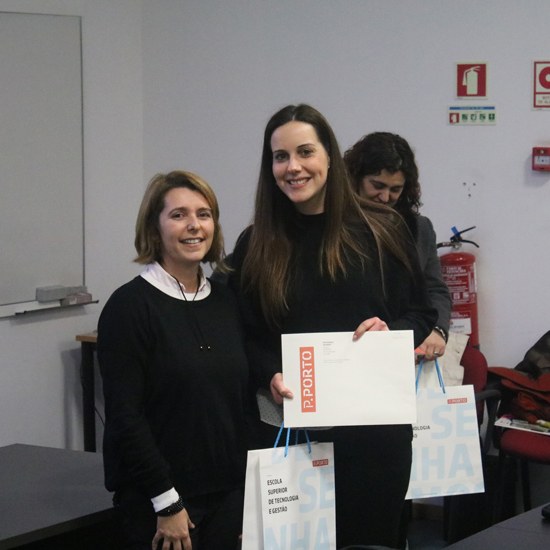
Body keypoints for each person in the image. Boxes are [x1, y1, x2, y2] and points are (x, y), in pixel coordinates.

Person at [227, 104, 437, 549]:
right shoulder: (257, 243)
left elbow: (422, 314)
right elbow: (245, 333)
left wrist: (392, 332)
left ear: (329, 156)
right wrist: (269, 371)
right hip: (291, 434)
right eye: (280, 156)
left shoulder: (383, 230)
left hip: (375, 437)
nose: (293, 166)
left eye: (305, 152)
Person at [97, 170, 250, 550]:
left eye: (204, 214)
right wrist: (167, 502)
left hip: (227, 497)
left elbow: (237, 403)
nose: (194, 225)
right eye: (178, 215)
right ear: (155, 227)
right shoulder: (129, 307)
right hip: (163, 505)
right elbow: (125, 417)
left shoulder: (227, 301)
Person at [344, 132, 452, 361]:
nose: (385, 197)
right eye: (377, 186)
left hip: (405, 345)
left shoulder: (419, 228)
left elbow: (435, 289)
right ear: (355, 178)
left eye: (395, 190)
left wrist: (438, 330)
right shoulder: (335, 226)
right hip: (348, 347)